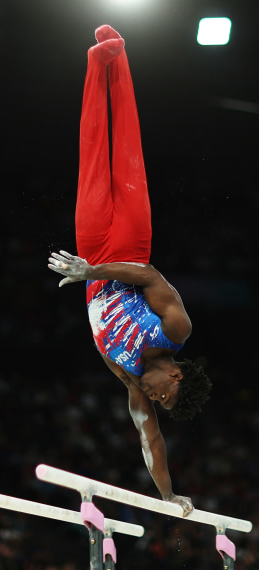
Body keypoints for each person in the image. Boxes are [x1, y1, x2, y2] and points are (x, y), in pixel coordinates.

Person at [47, 26, 211, 513]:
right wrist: (91, 271)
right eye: (164, 398)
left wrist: (169, 497)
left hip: (90, 256)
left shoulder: (129, 381)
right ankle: (120, 59)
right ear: (176, 377)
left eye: (157, 404)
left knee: (92, 152)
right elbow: (149, 276)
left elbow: (152, 445)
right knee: (126, 151)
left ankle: (97, 62)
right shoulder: (176, 329)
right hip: (128, 249)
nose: (155, 401)